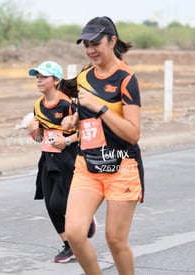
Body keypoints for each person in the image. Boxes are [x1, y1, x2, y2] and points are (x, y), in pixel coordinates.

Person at [61, 16, 144, 275]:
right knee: (74, 233)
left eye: (96, 43)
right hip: (87, 165)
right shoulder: (84, 76)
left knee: (115, 240)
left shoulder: (126, 79)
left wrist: (102, 108)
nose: (90, 50)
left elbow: (133, 134)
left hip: (122, 166)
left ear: (112, 40)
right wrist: (72, 119)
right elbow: (82, 116)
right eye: (86, 44)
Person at [27, 61, 97, 263]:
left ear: (55, 80)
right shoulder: (38, 105)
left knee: (59, 203)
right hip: (47, 157)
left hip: (68, 157)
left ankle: (85, 216)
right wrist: (32, 131)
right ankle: (69, 246)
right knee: (49, 205)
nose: (38, 80)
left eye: (43, 76)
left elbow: (87, 132)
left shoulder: (68, 105)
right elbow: (40, 137)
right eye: (37, 76)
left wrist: (66, 140)